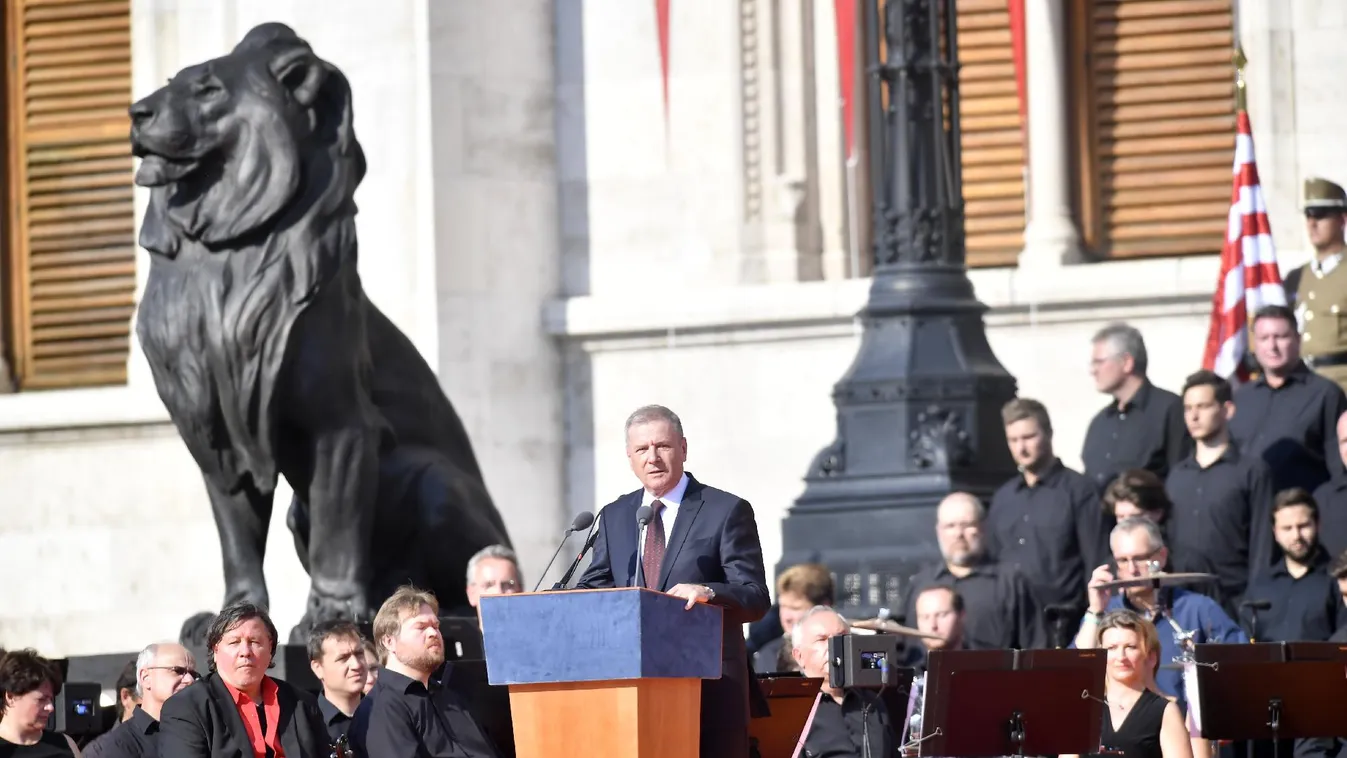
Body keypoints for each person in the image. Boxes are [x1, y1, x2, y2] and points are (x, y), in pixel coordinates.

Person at [576, 404, 771, 758]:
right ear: (629, 457)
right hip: (632, 691)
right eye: (641, 449)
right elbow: (595, 587)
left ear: (683, 448)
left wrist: (709, 592)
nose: (652, 458)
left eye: (662, 446)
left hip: (709, 688)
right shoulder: (615, 515)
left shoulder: (725, 510)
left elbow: (756, 597)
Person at [157, 602, 331, 758]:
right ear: (215, 650)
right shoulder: (187, 708)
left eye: (254, 641)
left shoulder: (302, 704)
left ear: (270, 648)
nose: (245, 651)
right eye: (234, 642)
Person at [349, 586, 498, 758]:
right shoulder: (382, 708)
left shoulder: (449, 695)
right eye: (421, 627)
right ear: (389, 642)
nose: (433, 633)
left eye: (436, 626)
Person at [1228, 305, 1347, 493]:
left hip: (1304, 513)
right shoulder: (1241, 397)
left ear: (1297, 340)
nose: (1272, 346)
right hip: (1250, 513)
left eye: (1281, 337)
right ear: (1255, 344)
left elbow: (1339, 469)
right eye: (1264, 338)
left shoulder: (1325, 394)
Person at [905, 492, 1044, 650]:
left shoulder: (1012, 582)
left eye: (967, 525)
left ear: (983, 528)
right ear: (939, 531)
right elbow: (910, 652)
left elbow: (1036, 647)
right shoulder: (921, 584)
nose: (958, 534)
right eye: (950, 526)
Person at [1081, 323, 1190, 492]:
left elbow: (1181, 479)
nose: (1092, 371)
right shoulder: (1100, 422)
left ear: (1126, 363)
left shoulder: (1170, 410)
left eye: (1099, 362)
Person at [791, 606, 898, 758]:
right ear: (799, 656)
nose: (835, 647)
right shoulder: (793, 710)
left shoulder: (872, 702)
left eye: (841, 637)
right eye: (822, 640)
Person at [1090, 611, 1193, 758]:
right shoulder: (1085, 709)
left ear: (1150, 657)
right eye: (1111, 648)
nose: (1121, 657)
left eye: (1131, 647)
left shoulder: (1164, 711)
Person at [1284, 177, 1347, 394]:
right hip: (1301, 386)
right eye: (1308, 215)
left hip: (1341, 385)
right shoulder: (1296, 277)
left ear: (1342, 219)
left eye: (1320, 215)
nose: (1312, 223)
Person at [83, 642, 198, 758]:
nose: (190, 680)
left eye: (193, 674)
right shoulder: (116, 745)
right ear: (146, 678)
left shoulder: (199, 733)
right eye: (177, 671)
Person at [752, 562, 834, 674]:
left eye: (796, 608)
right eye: (783, 606)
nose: (787, 617)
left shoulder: (845, 653)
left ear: (824, 607)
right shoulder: (769, 655)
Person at [0, 649, 80, 757]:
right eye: (41, 699)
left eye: (50, 699)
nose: (50, 707)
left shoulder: (65, 744)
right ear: (11, 697)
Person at [307, 620, 368, 745]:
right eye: (343, 658)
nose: (356, 665)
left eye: (359, 654)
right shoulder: (308, 725)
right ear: (318, 668)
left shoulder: (387, 713)